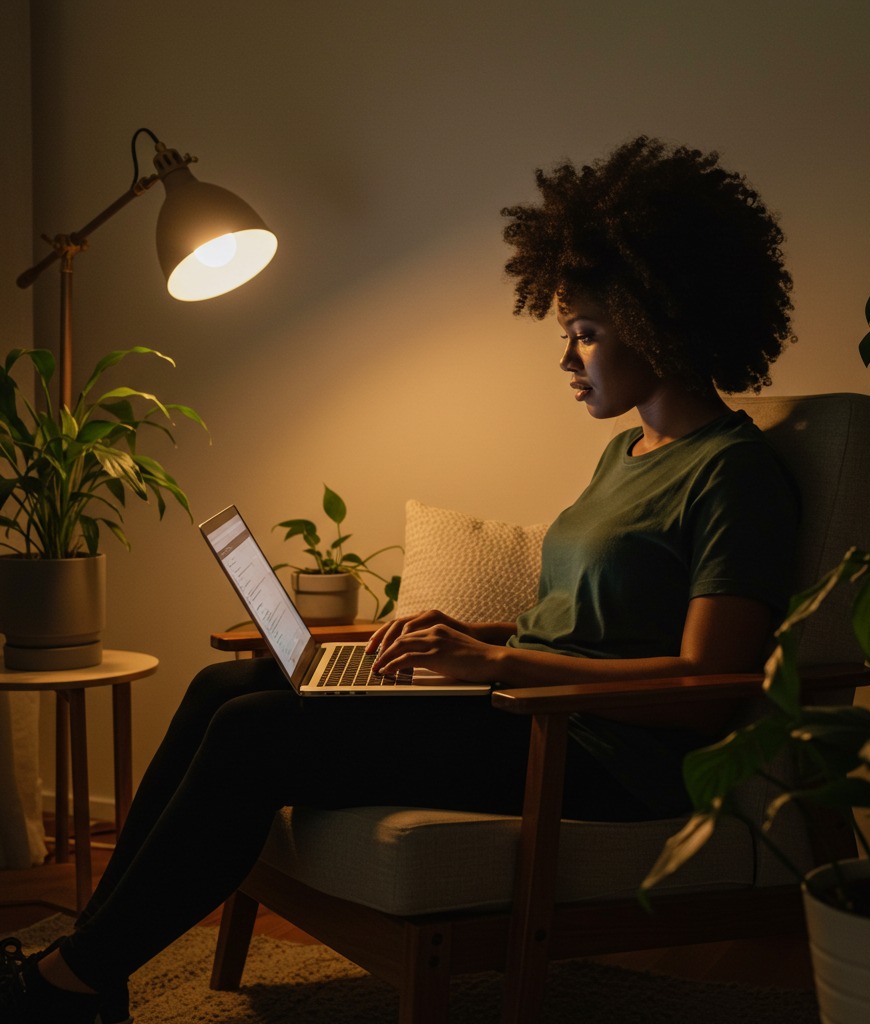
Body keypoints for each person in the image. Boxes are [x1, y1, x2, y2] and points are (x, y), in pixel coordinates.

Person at [1, 135, 799, 1024]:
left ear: (665, 322)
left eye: (587, 335)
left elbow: (703, 690)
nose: (567, 360)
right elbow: (583, 628)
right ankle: (92, 967)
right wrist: (464, 640)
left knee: (259, 733)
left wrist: (497, 668)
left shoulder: (734, 473)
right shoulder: (628, 452)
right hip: (523, 705)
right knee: (227, 683)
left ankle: (68, 983)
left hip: (598, 758)